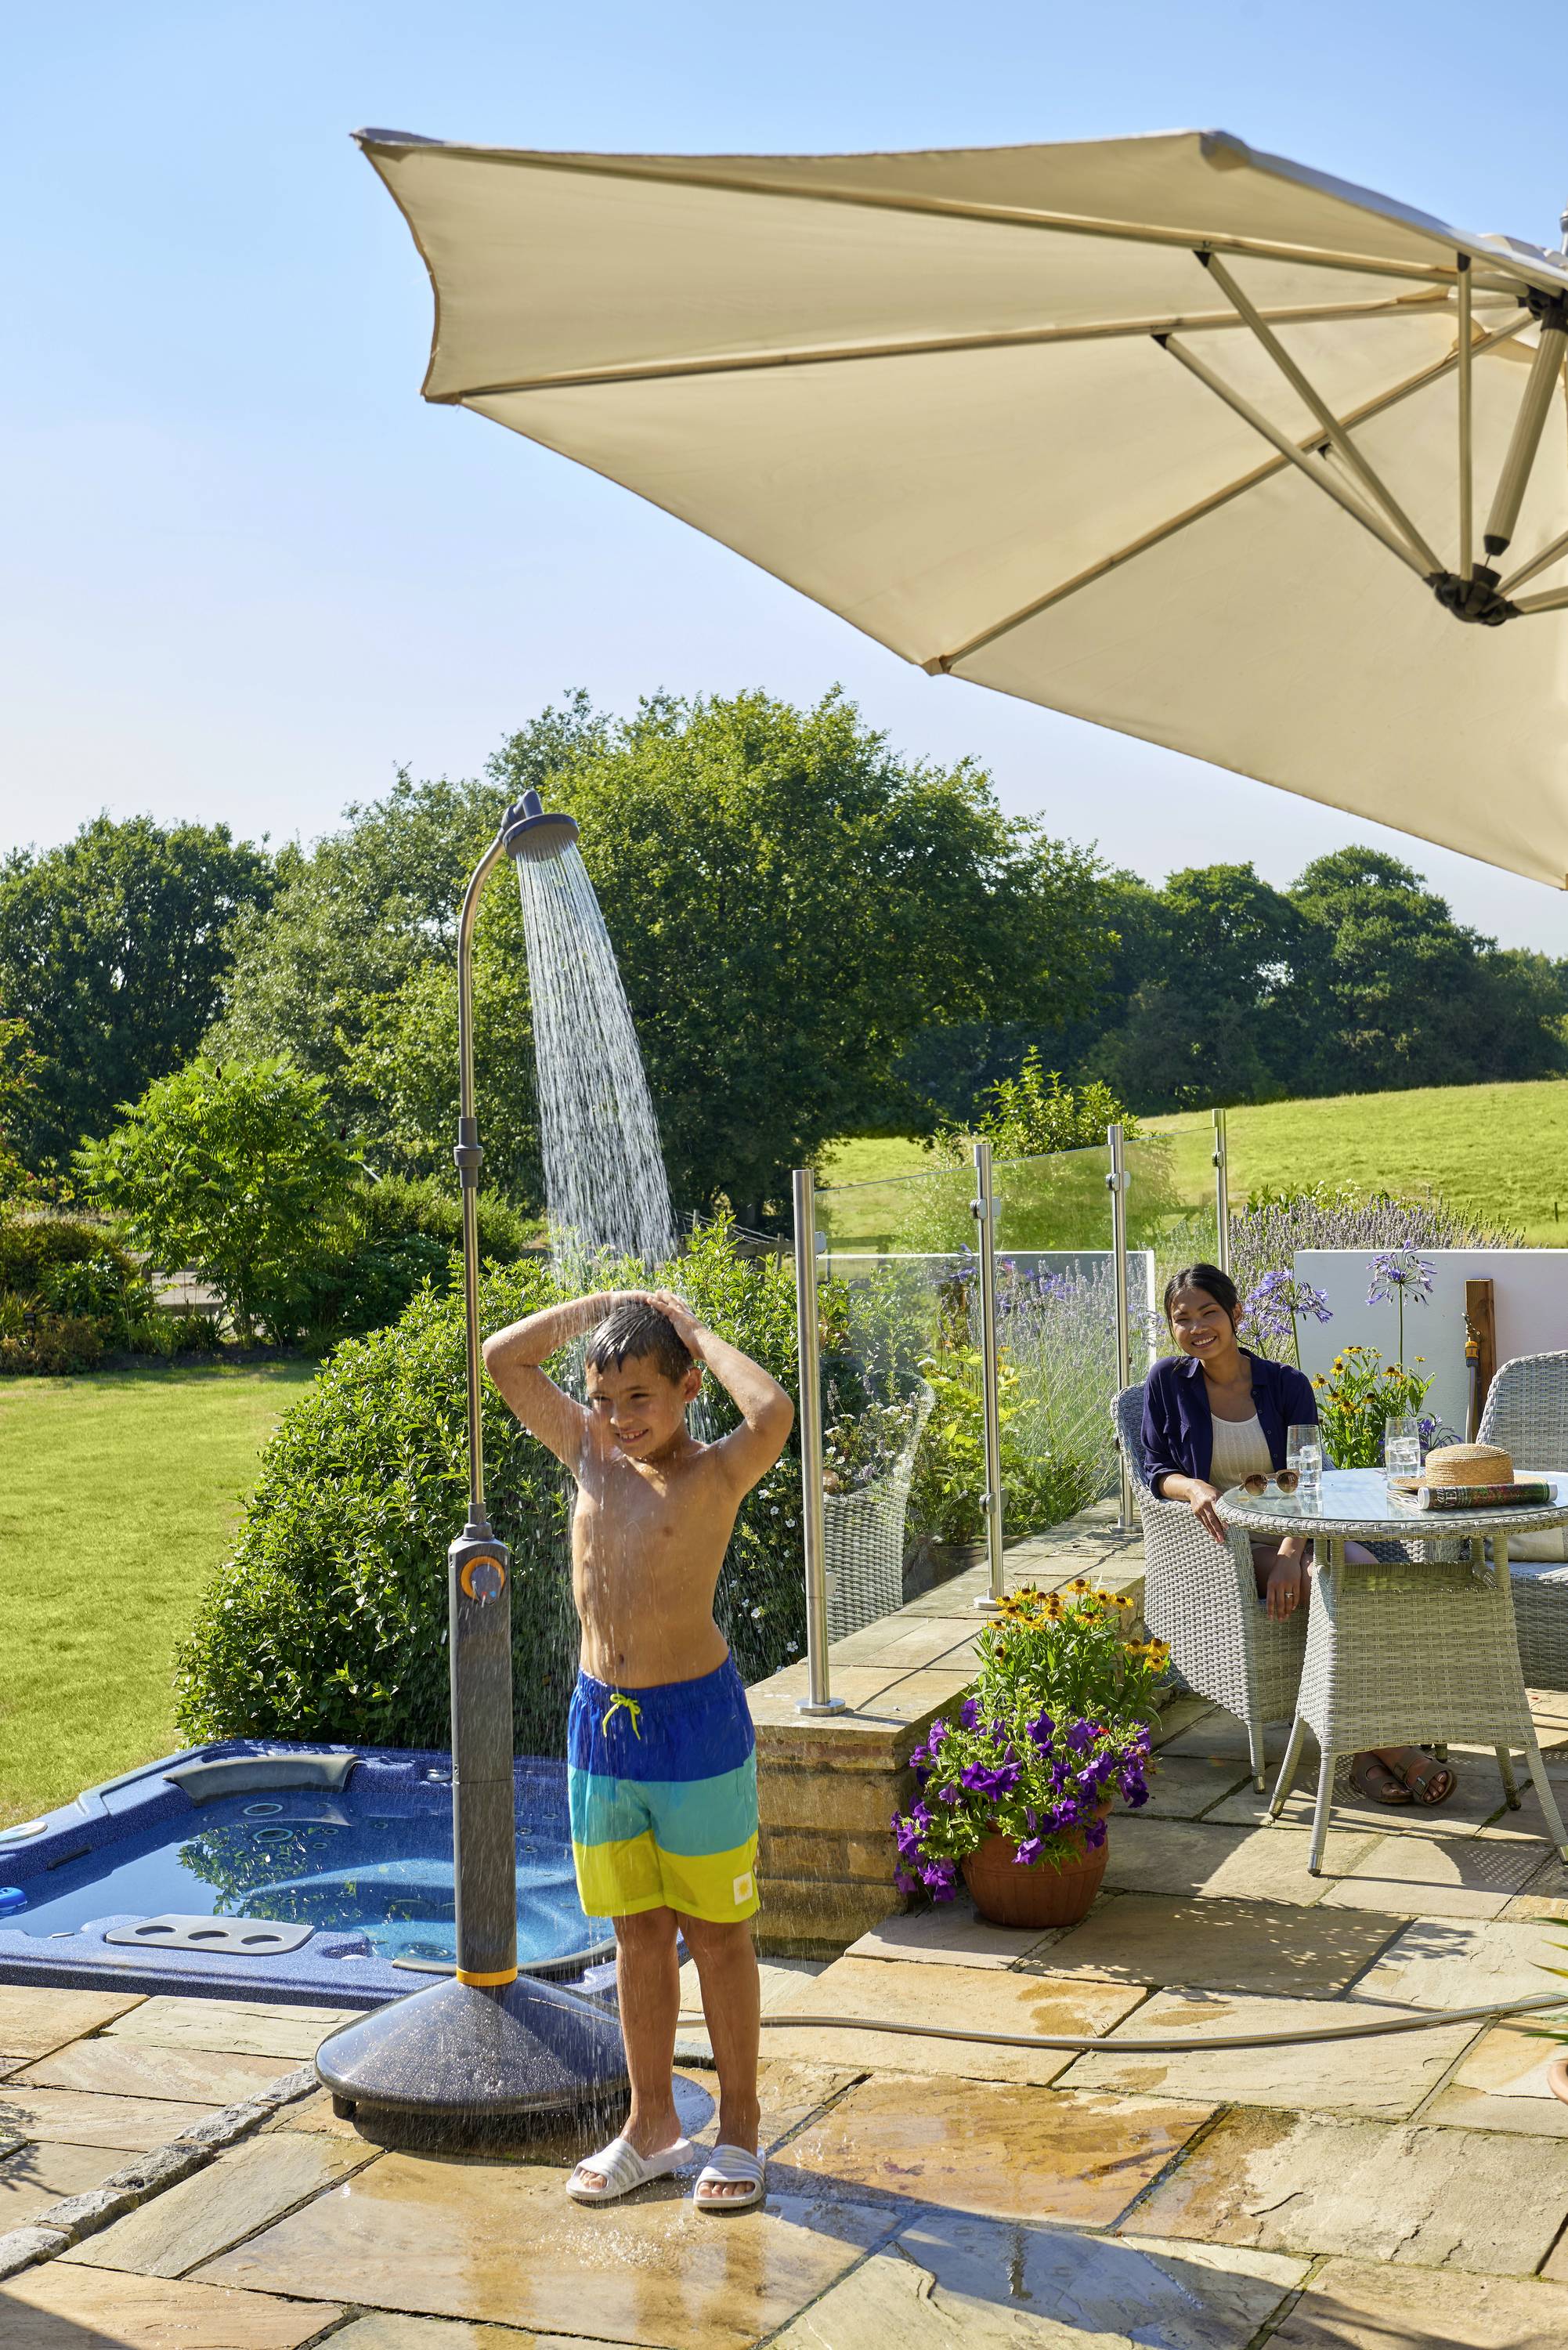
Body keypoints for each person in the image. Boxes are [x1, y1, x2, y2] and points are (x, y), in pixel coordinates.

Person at [482, 1285, 793, 2210]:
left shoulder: (717, 1473)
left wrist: (692, 1326)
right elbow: (502, 1356)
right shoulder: (586, 1453)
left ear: (687, 1387)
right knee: (637, 1932)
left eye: (641, 1399)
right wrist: (608, 1307)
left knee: (719, 1935)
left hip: (694, 1728)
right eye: (604, 1399)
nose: (619, 1420)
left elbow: (772, 1409)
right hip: (600, 1723)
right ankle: (651, 2123)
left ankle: (737, 2131)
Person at [1142, 1263, 1454, 1808]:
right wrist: (1192, 1488)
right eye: (1182, 1318)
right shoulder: (1168, 1382)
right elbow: (1153, 1466)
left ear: (1237, 1314)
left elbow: (1310, 1479)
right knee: (1334, 1585)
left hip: (1299, 1533)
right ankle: (1387, 1748)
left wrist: (1293, 1552)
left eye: (1208, 1312)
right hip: (1230, 1544)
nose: (1196, 1327)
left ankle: (1361, 1749)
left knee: (1365, 1576)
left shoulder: (1284, 1384)